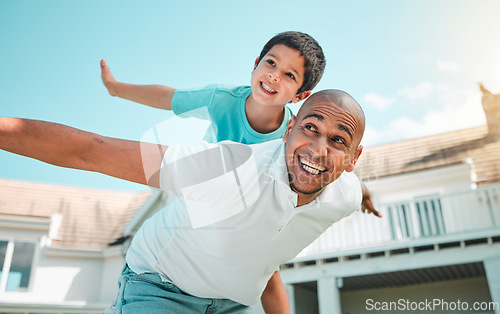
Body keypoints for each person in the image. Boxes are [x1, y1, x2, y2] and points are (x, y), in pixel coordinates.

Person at [1, 89, 367, 313]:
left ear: (353, 158)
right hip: (160, 286)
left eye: (338, 141)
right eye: (310, 128)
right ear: (289, 129)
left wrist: (367, 199)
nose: (318, 150)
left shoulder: (346, 194)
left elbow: (357, 191)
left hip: (231, 303)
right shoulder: (229, 168)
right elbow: (90, 152)